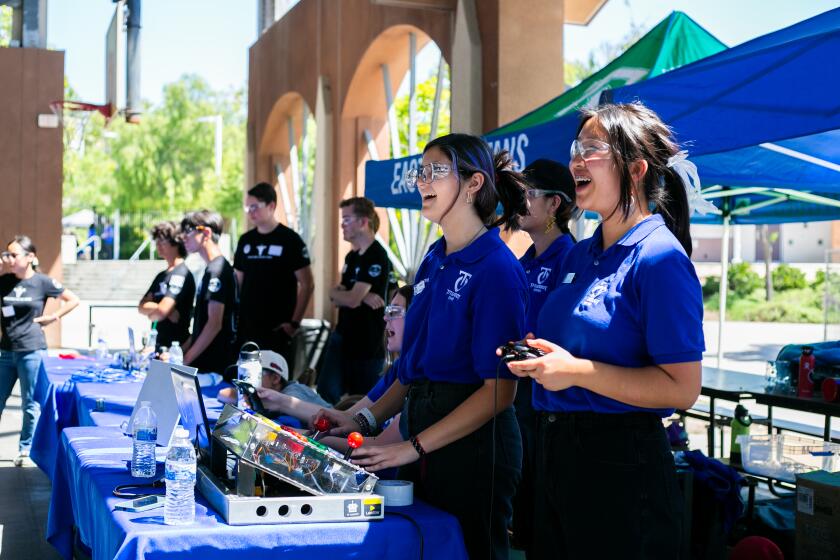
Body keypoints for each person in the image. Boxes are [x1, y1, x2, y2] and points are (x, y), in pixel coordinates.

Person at [506, 103, 705, 559]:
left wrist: (575, 371)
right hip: (555, 450)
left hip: (620, 466)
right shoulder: (580, 255)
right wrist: (539, 358)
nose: (575, 160)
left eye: (591, 149)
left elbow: (683, 389)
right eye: (576, 148)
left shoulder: (659, 258)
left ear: (635, 169)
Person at [317, 133, 530, 560]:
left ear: (473, 183)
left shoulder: (497, 268)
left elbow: (500, 391)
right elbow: (412, 372)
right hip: (424, 430)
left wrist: (409, 447)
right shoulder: (434, 258)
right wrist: (359, 420)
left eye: (435, 171)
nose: (421, 181)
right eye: (420, 172)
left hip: (475, 449)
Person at [512, 158, 578, 556]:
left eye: (528, 195)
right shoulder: (525, 260)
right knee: (523, 513)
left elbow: (561, 336)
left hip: (547, 405)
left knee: (542, 517)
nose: (520, 203)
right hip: (519, 399)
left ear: (554, 204)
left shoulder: (569, 259)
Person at [256, 284, 414, 427]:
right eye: (387, 311)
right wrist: (277, 401)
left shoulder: (418, 375)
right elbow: (349, 416)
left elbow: (372, 439)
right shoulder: (398, 369)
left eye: (394, 312)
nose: (385, 317)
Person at [0, 235, 80, 466]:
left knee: (31, 404)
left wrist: (53, 316)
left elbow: (73, 299)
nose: (10, 259)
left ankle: (25, 450)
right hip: (6, 351)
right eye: (7, 254)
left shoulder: (42, 282)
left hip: (32, 350)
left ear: (30, 257)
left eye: (14, 254)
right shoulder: (4, 281)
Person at [317, 197, 390, 403]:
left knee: (363, 402)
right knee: (326, 392)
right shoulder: (352, 257)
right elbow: (339, 296)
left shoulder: (376, 255)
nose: (342, 224)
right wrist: (353, 295)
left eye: (347, 219)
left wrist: (349, 295)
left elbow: (349, 300)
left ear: (363, 222)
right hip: (343, 336)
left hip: (367, 343)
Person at [234, 182, 314, 370]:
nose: (250, 212)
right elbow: (238, 281)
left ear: (271, 206)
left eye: (255, 207)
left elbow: (307, 284)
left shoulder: (290, 240)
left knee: (276, 386)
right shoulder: (246, 240)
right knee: (246, 381)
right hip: (247, 328)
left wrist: (294, 323)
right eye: (248, 207)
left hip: (278, 330)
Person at [180, 210, 238, 377]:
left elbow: (214, 324)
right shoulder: (211, 269)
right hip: (207, 365)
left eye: (188, 231)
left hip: (213, 369)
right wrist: (178, 352)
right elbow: (202, 324)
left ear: (206, 232)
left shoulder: (217, 270)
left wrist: (184, 362)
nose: (184, 237)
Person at [137, 222, 196, 351]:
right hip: (158, 345)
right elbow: (141, 307)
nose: (158, 245)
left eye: (162, 241)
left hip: (175, 348)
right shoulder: (161, 275)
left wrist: (156, 312)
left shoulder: (181, 274)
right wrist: (158, 310)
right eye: (156, 241)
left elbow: (162, 312)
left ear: (176, 242)